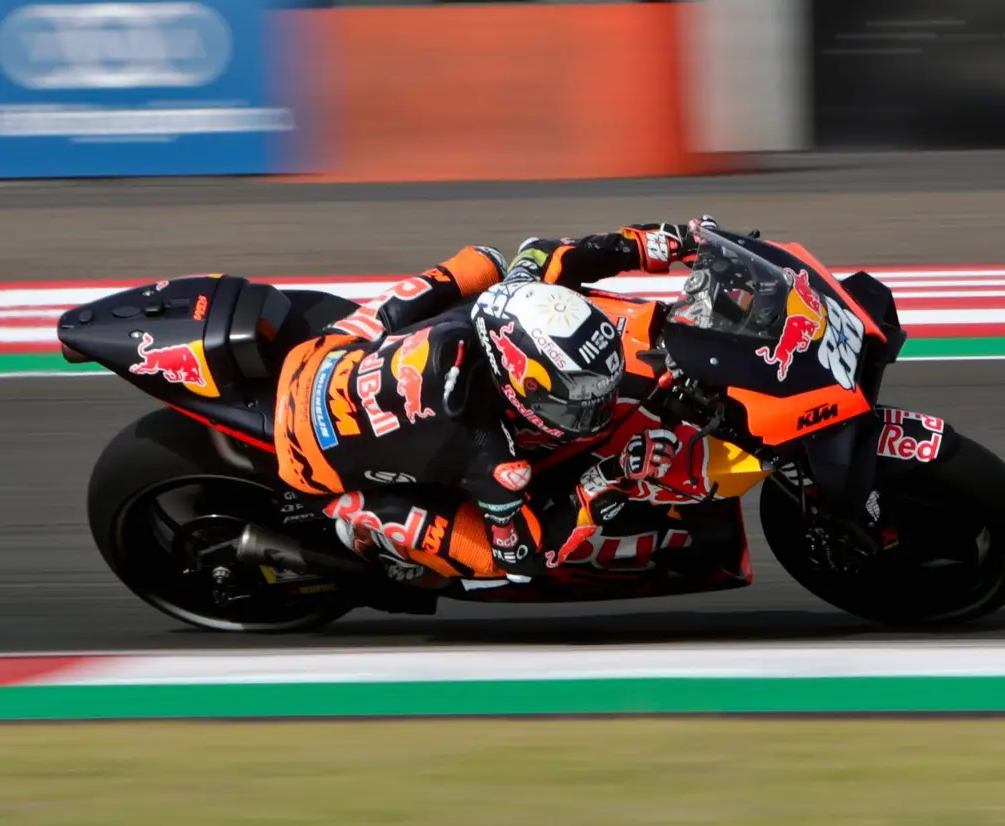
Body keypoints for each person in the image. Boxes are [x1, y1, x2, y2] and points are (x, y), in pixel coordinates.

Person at [271, 223, 696, 584]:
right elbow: (524, 558)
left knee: (485, 263)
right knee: (491, 563)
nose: (593, 408)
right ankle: (372, 536)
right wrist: (607, 479)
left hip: (318, 354)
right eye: (575, 399)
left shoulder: (508, 300)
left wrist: (662, 242)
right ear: (518, 380)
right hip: (310, 462)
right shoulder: (491, 455)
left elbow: (546, 252)